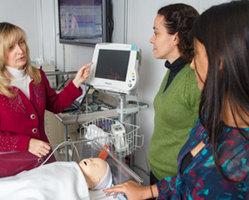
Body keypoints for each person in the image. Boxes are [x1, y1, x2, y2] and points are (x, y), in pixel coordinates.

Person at [104, 1, 249, 199]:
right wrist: (149, 191)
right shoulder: (209, 112)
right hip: (166, 180)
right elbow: (188, 176)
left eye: (156, 32)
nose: (151, 39)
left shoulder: (235, 162)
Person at [0, 22, 92, 178]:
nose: (20, 50)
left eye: (21, 42)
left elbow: (55, 104)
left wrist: (76, 82)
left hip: (43, 160)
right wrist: (26, 143)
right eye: (10, 47)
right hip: (9, 167)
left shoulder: (37, 76)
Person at [147, 4, 200, 185]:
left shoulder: (193, 79)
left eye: (157, 32)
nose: (151, 39)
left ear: (176, 37)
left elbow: (210, 135)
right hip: (157, 171)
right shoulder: (173, 69)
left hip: (175, 180)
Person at [0, 158, 112, 200]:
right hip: (20, 182)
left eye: (95, 164)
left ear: (96, 180)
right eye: (93, 159)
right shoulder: (67, 168)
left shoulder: (73, 183)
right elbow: (35, 177)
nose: (90, 160)